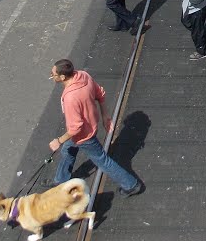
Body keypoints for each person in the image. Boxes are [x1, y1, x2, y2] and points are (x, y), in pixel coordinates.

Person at [48, 59, 144, 196]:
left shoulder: (70, 98)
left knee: (102, 160)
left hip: (83, 136)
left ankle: (131, 185)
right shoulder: (83, 76)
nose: (52, 76)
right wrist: (105, 116)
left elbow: (75, 128)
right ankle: (61, 179)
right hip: (89, 125)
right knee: (68, 149)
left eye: (53, 74)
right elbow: (100, 93)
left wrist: (58, 140)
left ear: (62, 77)